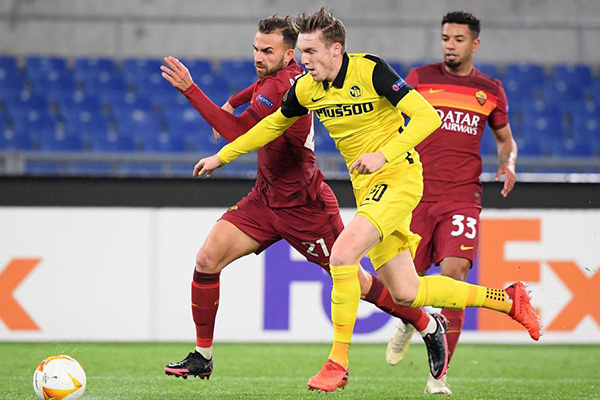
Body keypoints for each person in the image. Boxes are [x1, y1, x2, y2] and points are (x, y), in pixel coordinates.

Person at [194, 8, 541, 393]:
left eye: (311, 51)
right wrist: (222, 157)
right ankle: (508, 300)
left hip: (399, 177)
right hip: (368, 190)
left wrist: (383, 154)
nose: (304, 60)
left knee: (342, 256)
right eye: (302, 52)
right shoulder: (307, 89)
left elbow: (427, 117)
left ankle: (337, 363)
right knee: (407, 292)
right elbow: (270, 126)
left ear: (335, 49)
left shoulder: (370, 70)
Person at [159, 14, 448, 382]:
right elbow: (258, 88)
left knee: (357, 282)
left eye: (267, 51)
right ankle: (203, 356)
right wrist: (233, 99)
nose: (258, 57)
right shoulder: (296, 76)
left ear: (289, 55)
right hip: (264, 199)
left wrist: (191, 90)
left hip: (304, 204)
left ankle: (426, 323)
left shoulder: (291, 84)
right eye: (255, 49)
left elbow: (240, 130)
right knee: (207, 258)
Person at [384, 11, 519, 395]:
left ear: (475, 44)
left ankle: (439, 375)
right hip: (415, 192)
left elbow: (505, 140)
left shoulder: (489, 90)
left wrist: (508, 163)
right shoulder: (419, 78)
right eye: (446, 38)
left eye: (458, 39)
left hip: (462, 195)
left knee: (456, 274)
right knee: (406, 285)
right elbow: (391, 120)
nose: (450, 45)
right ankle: (409, 321)